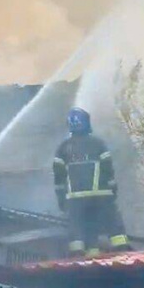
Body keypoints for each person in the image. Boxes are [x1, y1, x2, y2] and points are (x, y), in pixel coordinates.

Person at [53, 107, 130, 257]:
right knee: (112, 222)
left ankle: (82, 254)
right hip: (102, 195)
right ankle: (122, 249)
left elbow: (59, 177)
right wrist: (113, 188)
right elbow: (108, 169)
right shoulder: (98, 144)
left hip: (75, 199)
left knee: (80, 226)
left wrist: (61, 199)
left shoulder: (63, 148)